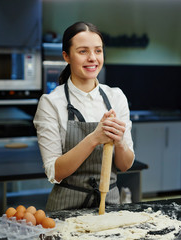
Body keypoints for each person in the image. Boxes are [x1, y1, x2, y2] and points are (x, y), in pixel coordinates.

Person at [33, 21, 135, 211]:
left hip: (110, 206)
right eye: (83, 51)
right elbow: (55, 172)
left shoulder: (116, 97)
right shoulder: (51, 103)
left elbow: (125, 165)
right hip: (65, 209)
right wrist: (94, 138)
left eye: (98, 51)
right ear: (66, 56)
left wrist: (119, 141)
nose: (92, 58)